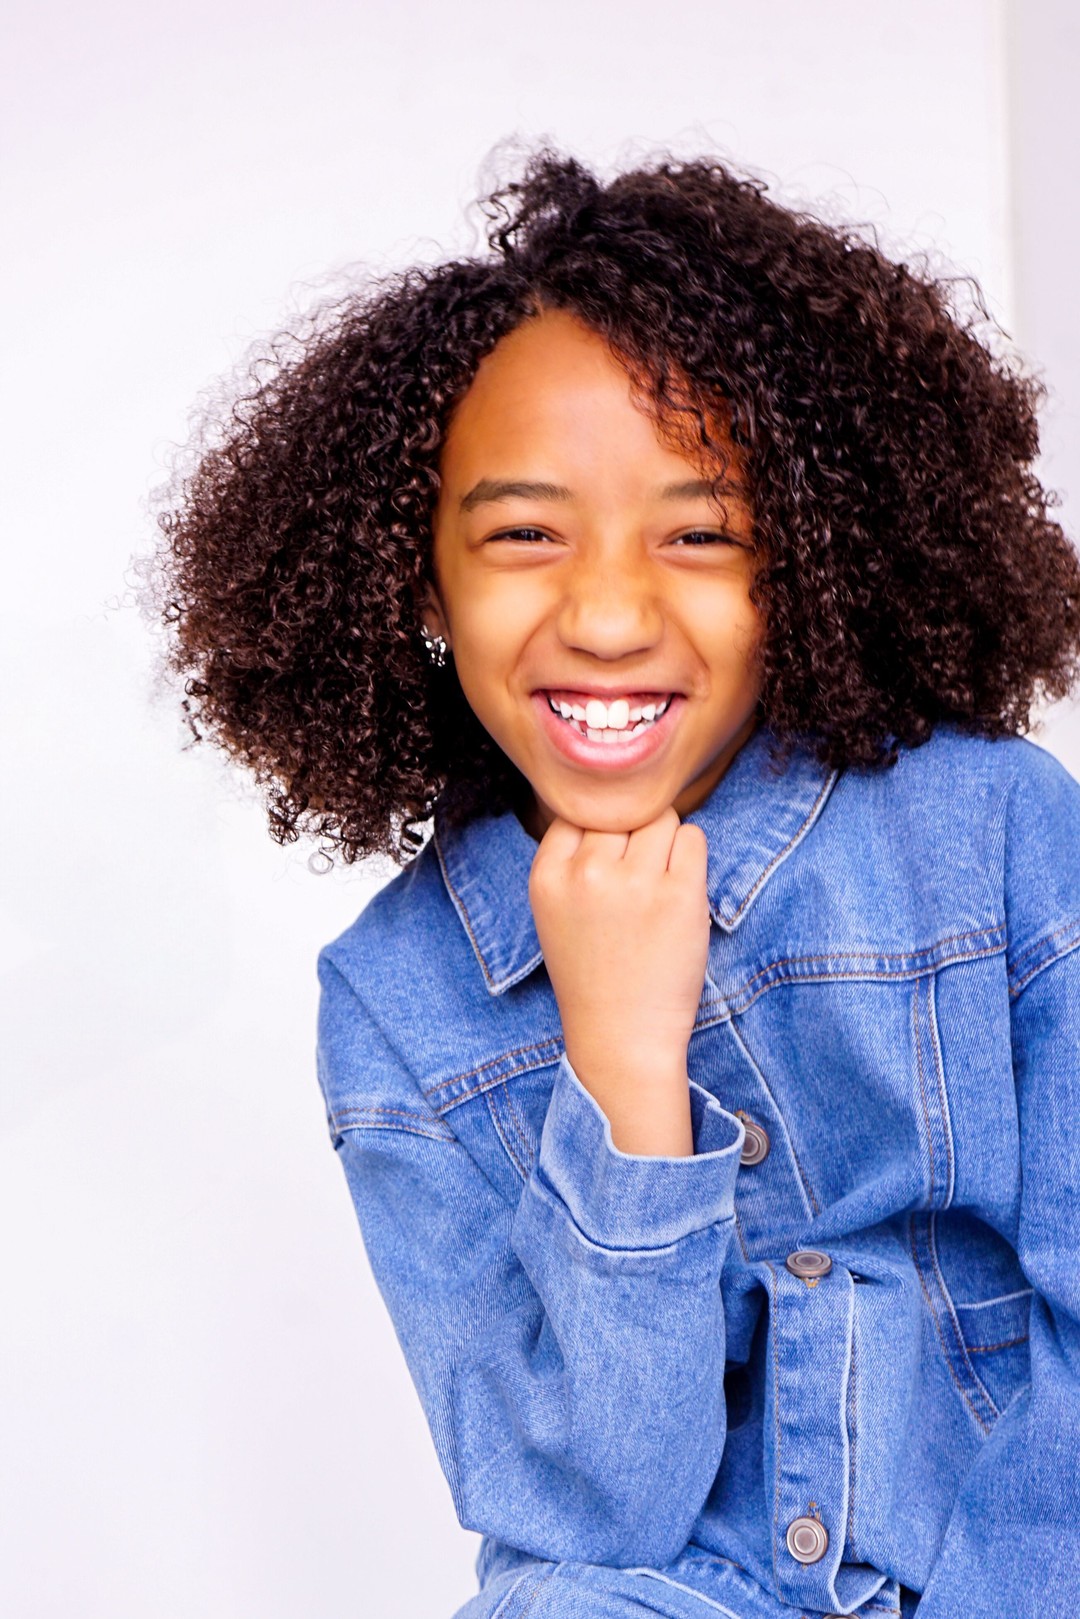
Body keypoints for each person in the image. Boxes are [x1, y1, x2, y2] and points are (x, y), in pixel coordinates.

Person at [150, 149, 1080, 1617]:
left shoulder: (994, 835)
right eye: (525, 534)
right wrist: (624, 1073)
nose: (603, 613)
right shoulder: (397, 1004)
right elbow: (589, 1509)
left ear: (809, 565)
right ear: (418, 580)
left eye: (700, 534)